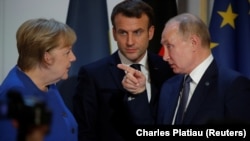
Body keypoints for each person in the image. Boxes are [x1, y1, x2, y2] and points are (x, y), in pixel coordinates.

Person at [73, 0, 174, 141]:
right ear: (114, 33)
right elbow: (85, 131)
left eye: (137, 32)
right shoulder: (93, 74)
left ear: (150, 33)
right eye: (123, 33)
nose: (130, 41)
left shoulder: (168, 69)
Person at [156, 13, 250, 125]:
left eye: (169, 46)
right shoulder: (168, 87)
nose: (165, 56)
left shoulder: (233, 86)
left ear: (194, 43)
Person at [0, 18, 78, 141]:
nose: (73, 58)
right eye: (67, 52)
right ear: (47, 57)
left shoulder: (47, 84)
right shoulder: (15, 97)